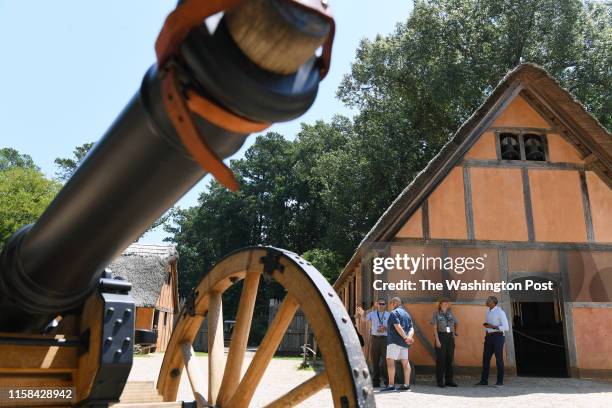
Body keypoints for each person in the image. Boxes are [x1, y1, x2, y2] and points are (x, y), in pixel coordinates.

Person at [475, 295, 509, 387]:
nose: (486, 301)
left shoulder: (500, 312)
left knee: (499, 359)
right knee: (485, 359)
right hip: (488, 337)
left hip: (498, 337)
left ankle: (500, 382)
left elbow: (506, 327)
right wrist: (487, 328)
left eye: (488, 300)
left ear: (493, 302)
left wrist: (493, 327)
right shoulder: (488, 311)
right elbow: (489, 325)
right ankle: (484, 381)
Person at [381, 297, 414, 392]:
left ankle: (391, 385)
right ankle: (406, 385)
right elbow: (412, 328)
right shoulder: (407, 314)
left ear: (394, 303)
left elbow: (397, 326)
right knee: (405, 362)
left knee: (390, 362)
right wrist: (408, 338)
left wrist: (405, 337)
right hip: (404, 343)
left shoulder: (393, 313)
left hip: (394, 341)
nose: (390, 305)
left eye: (391, 303)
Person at [360, 297, 390, 388]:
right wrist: (362, 314)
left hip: (385, 339)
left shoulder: (389, 315)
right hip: (375, 338)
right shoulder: (372, 314)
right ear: (376, 304)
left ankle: (387, 381)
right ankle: (376, 382)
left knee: (385, 361)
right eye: (380, 303)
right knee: (375, 360)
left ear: (385, 305)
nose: (381, 305)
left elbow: (392, 327)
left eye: (383, 304)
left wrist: (385, 328)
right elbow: (364, 320)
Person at [431, 298, 459, 388]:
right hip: (441, 336)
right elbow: (434, 328)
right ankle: (440, 381)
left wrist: (455, 333)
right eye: (443, 303)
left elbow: (456, 322)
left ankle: (449, 380)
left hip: (450, 337)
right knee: (441, 360)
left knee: (449, 359)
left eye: (447, 303)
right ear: (440, 304)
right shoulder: (436, 314)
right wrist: (437, 340)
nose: (445, 304)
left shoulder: (450, 313)